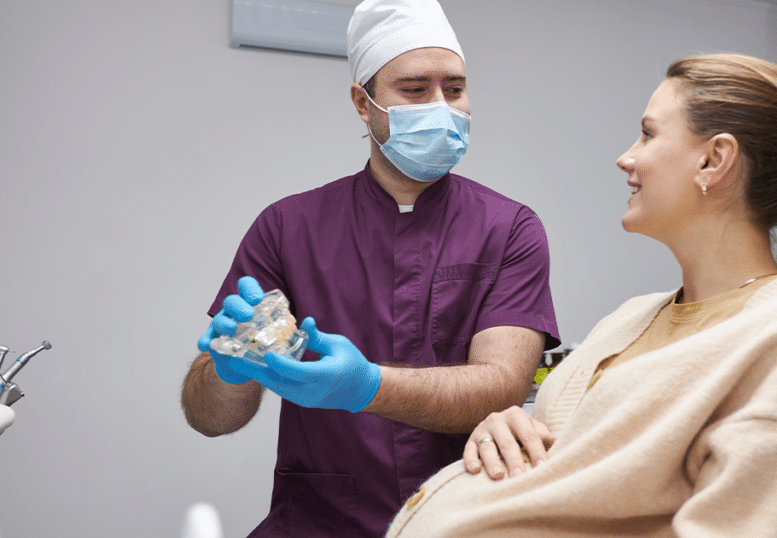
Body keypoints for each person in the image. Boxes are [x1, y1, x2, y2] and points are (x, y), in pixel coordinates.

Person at [383, 53, 777, 538]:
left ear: (714, 161)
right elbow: (578, 474)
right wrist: (504, 429)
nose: (626, 158)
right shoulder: (630, 318)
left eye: (646, 134)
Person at [179, 1, 560, 536]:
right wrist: (228, 369)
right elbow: (210, 419)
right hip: (317, 521)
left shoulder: (509, 227)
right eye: (414, 90)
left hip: (462, 518)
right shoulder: (288, 227)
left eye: (454, 89)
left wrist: (367, 387)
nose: (440, 106)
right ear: (363, 103)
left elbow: (501, 387)